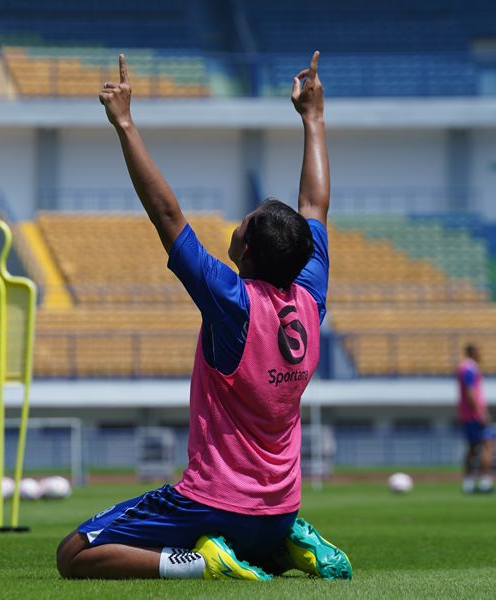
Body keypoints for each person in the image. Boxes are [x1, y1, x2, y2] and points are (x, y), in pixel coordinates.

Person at [56, 52, 351, 581]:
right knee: (259, 533)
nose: (236, 226)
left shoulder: (232, 300)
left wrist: (124, 123)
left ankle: (199, 564)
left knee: (74, 553)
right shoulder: (311, 292)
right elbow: (316, 205)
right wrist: (314, 118)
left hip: (214, 502)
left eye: (245, 223)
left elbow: (168, 216)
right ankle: (282, 547)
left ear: (250, 254)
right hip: (279, 506)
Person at [457, 343, 495, 494]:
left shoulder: (463, 368)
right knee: (488, 446)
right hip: (474, 415)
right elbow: (470, 392)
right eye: (479, 352)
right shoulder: (469, 369)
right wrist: (480, 412)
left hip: (467, 414)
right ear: (473, 353)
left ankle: (468, 484)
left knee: (472, 449)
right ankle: (485, 483)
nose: (481, 355)